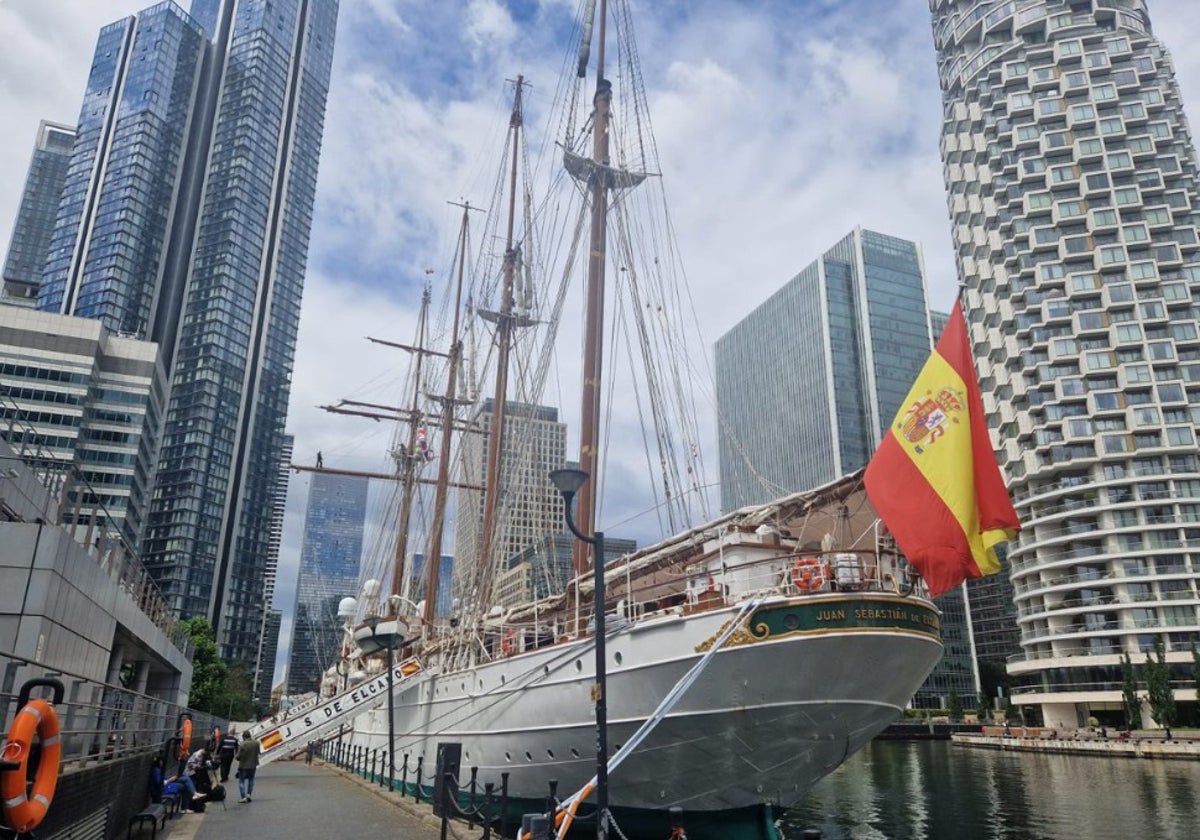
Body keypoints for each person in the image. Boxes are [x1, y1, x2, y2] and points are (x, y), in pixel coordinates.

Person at [236, 730, 261, 803]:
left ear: (244, 737)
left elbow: (238, 757)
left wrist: (237, 757)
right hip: (253, 765)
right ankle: (249, 794)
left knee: (241, 781)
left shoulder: (242, 744)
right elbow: (258, 752)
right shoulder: (256, 743)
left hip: (243, 766)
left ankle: (243, 797)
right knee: (251, 779)